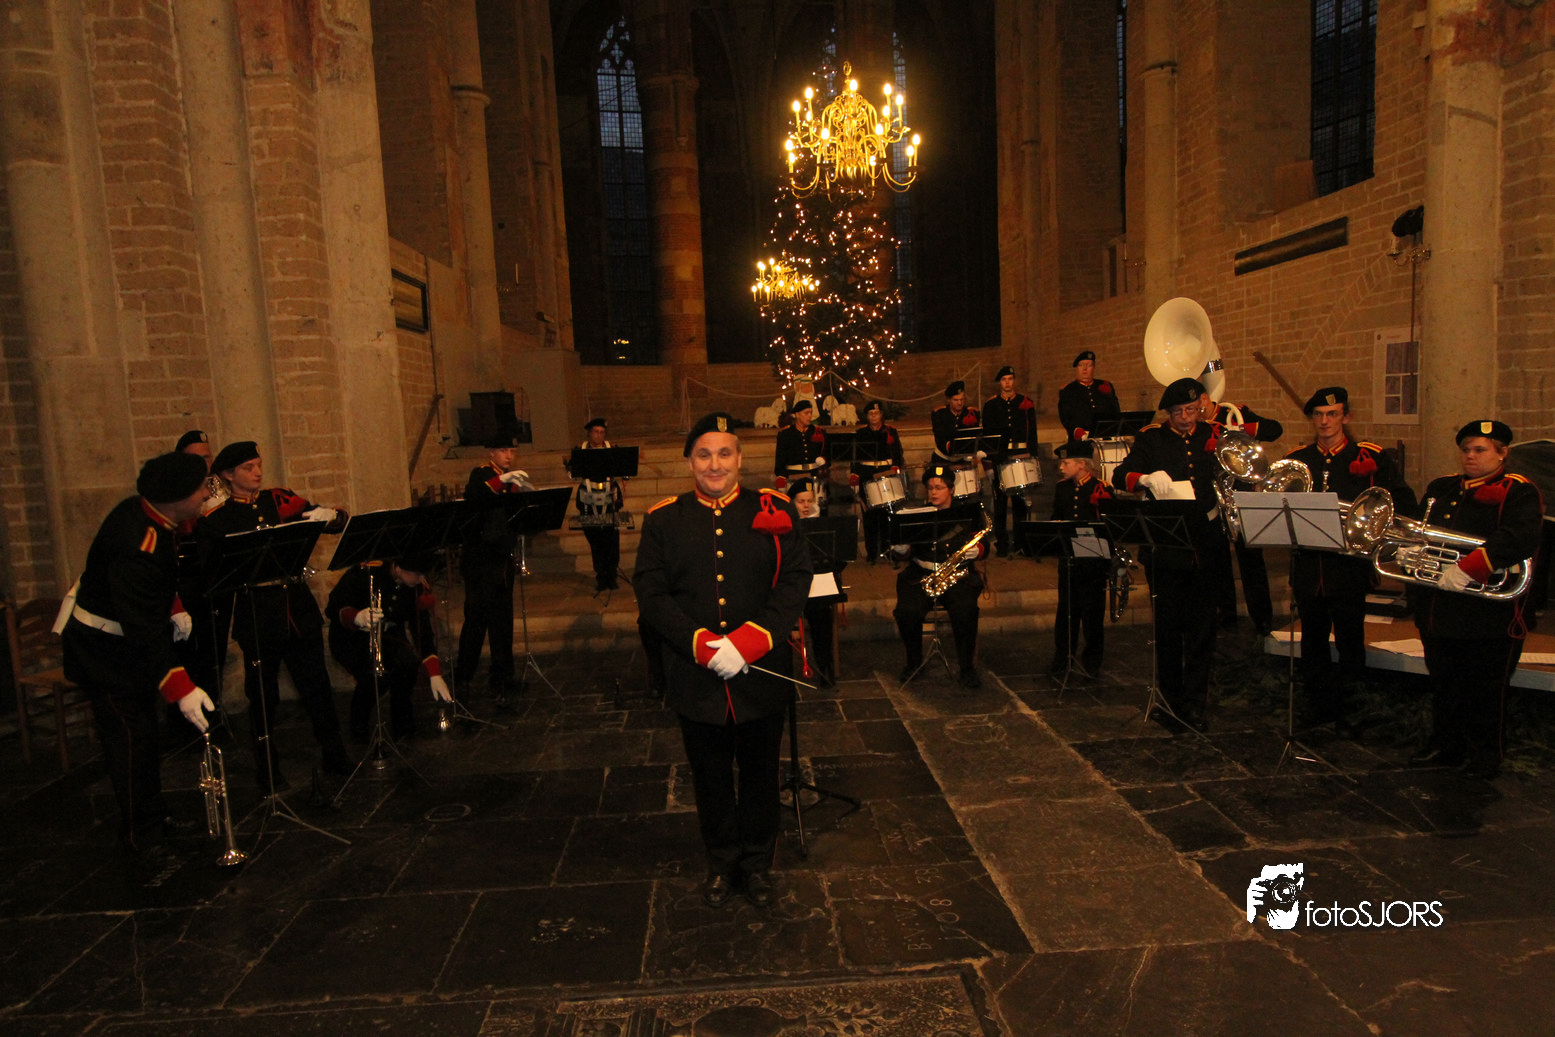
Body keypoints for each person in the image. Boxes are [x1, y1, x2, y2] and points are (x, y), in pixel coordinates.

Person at [635, 412, 811, 908]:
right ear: (690, 462)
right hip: (697, 676)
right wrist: (702, 646)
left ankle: (756, 865)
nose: (715, 464)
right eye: (704, 455)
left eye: (724, 453)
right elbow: (651, 592)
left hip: (761, 672)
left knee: (760, 775)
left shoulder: (774, 508)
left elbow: (795, 579)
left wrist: (750, 642)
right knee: (709, 778)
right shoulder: (663, 519)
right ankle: (721, 863)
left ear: (740, 458)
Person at [62, 452, 215, 871]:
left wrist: (174, 605)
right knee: (130, 744)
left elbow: (156, 584)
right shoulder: (137, 543)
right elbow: (143, 627)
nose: (207, 494)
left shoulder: (150, 516)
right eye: (202, 488)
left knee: (145, 738)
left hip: (124, 644)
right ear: (176, 497)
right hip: (104, 653)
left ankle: (153, 816)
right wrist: (181, 688)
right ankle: (139, 837)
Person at [200, 440, 353, 789]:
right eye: (248, 468)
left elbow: (335, 521)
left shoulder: (279, 499)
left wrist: (330, 515)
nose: (257, 472)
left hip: (297, 609)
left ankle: (335, 753)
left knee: (317, 686)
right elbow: (212, 574)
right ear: (228, 475)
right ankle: (268, 768)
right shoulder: (217, 520)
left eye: (258, 465)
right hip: (258, 614)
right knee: (262, 695)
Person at [1408, 419, 1543, 780]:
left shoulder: (1518, 490)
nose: (1470, 456)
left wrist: (1470, 568)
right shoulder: (1442, 487)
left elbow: (1520, 536)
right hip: (1440, 608)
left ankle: (1485, 756)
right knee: (1444, 684)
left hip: (1488, 614)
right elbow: (1420, 530)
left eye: (1480, 450)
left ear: (1502, 453)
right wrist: (1409, 552)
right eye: (1466, 449)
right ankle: (1447, 746)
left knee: (1485, 690)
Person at [1285, 387, 1414, 727]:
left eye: (1332, 414)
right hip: (1310, 566)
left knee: (1350, 638)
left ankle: (1352, 709)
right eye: (1318, 415)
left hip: (1349, 566)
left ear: (1346, 417)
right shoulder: (1298, 459)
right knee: (1312, 639)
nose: (1324, 421)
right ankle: (1317, 706)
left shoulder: (1370, 456)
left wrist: (1378, 529)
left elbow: (1402, 501)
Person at [1110, 377, 1226, 730]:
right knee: (1169, 628)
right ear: (1168, 412)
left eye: (1191, 410)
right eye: (1178, 412)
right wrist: (1144, 479)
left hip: (1207, 545)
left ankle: (1196, 702)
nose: (1186, 418)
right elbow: (1120, 475)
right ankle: (1172, 700)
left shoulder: (1215, 435)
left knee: (1203, 629)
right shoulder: (1151, 438)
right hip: (1166, 548)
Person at [326, 553, 453, 742]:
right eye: (416, 574)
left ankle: (402, 723)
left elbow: (422, 631)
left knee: (408, 666)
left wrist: (434, 673)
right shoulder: (365, 573)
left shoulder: (414, 588)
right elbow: (334, 606)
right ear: (398, 567)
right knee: (375, 678)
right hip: (352, 637)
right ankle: (359, 724)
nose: (421, 580)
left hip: (388, 635)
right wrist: (356, 617)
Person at [891, 463, 987, 689]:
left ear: (951, 490)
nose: (933, 492)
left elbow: (984, 544)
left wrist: (977, 550)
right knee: (906, 612)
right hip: (921, 574)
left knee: (965, 610)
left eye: (939, 487)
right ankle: (914, 663)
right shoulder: (917, 515)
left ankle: (967, 669)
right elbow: (903, 553)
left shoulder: (967, 514)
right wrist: (902, 550)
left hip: (957, 574)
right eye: (930, 487)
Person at [455, 429, 529, 702]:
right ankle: (463, 676)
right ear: (492, 453)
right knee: (476, 621)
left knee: (502, 622)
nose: (509, 456)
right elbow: (477, 494)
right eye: (504, 451)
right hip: (480, 562)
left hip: (501, 561)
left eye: (512, 452)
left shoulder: (509, 478)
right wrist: (503, 481)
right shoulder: (482, 473)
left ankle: (502, 677)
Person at [1203, 390, 1284, 634]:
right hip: (1213, 496)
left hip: (1241, 494)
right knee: (1218, 560)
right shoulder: (1196, 425)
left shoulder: (1233, 413)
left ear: (1205, 398)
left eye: (1197, 404)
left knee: (1251, 561)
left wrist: (1240, 430)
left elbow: (1274, 429)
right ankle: (1226, 615)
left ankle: (1262, 618)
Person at [1050, 440, 1112, 678]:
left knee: (1092, 613)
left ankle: (1092, 661)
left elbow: (1108, 526)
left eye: (1066, 463)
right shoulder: (1062, 488)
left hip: (1093, 561)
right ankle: (1062, 656)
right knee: (1066, 611)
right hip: (1069, 559)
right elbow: (1057, 517)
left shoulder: (1101, 488)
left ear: (1082, 464)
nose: (1061, 467)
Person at [983, 365, 1039, 556]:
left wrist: (1032, 456)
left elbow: (1032, 432)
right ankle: (1002, 543)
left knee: (1019, 503)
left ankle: (1020, 541)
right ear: (1000, 382)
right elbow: (988, 436)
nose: (1007, 383)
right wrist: (989, 463)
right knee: (1000, 503)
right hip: (1000, 457)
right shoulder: (991, 405)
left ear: (1014, 380)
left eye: (1010, 379)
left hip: (1020, 455)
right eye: (1004, 379)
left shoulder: (1025, 402)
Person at [791, 479, 840, 687]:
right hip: (792, 585)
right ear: (791, 502)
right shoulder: (785, 525)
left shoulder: (822, 526)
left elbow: (838, 559)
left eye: (809, 501)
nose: (806, 506)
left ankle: (824, 666)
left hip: (816, 583)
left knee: (821, 616)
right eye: (801, 501)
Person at [573, 417, 626, 592]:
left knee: (612, 538)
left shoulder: (612, 449)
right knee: (595, 539)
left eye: (602, 432)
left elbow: (623, 468)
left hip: (609, 497)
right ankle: (601, 576)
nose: (599, 435)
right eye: (596, 432)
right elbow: (572, 471)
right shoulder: (580, 450)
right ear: (589, 434)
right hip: (588, 498)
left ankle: (612, 575)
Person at [850, 400, 906, 562]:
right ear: (867, 416)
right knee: (869, 516)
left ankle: (887, 549)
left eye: (876, 413)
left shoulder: (891, 431)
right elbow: (854, 456)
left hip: (885, 472)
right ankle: (872, 552)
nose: (874, 416)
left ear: (881, 415)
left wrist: (896, 466)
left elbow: (898, 452)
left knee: (887, 514)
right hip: (867, 474)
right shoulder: (860, 433)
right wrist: (854, 473)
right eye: (871, 414)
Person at [773, 398, 828, 505]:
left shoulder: (818, 432)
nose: (810, 416)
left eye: (811, 412)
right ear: (797, 415)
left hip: (814, 477)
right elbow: (780, 460)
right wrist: (781, 477)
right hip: (793, 477)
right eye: (806, 413)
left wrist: (823, 460)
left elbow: (827, 453)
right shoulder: (786, 434)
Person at [1058, 350, 1121, 443]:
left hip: (1105, 436)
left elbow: (1115, 411)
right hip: (1082, 439)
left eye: (1089, 365)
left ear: (1094, 367)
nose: (1085, 369)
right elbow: (1066, 418)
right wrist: (1076, 430)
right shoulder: (1069, 390)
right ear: (1076, 368)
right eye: (1081, 365)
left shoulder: (1104, 385)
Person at [931, 380, 981, 463]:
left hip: (963, 458)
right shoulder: (940, 414)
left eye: (962, 400)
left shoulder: (971, 413)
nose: (959, 403)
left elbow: (974, 437)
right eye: (956, 400)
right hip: (943, 458)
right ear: (949, 400)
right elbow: (940, 438)